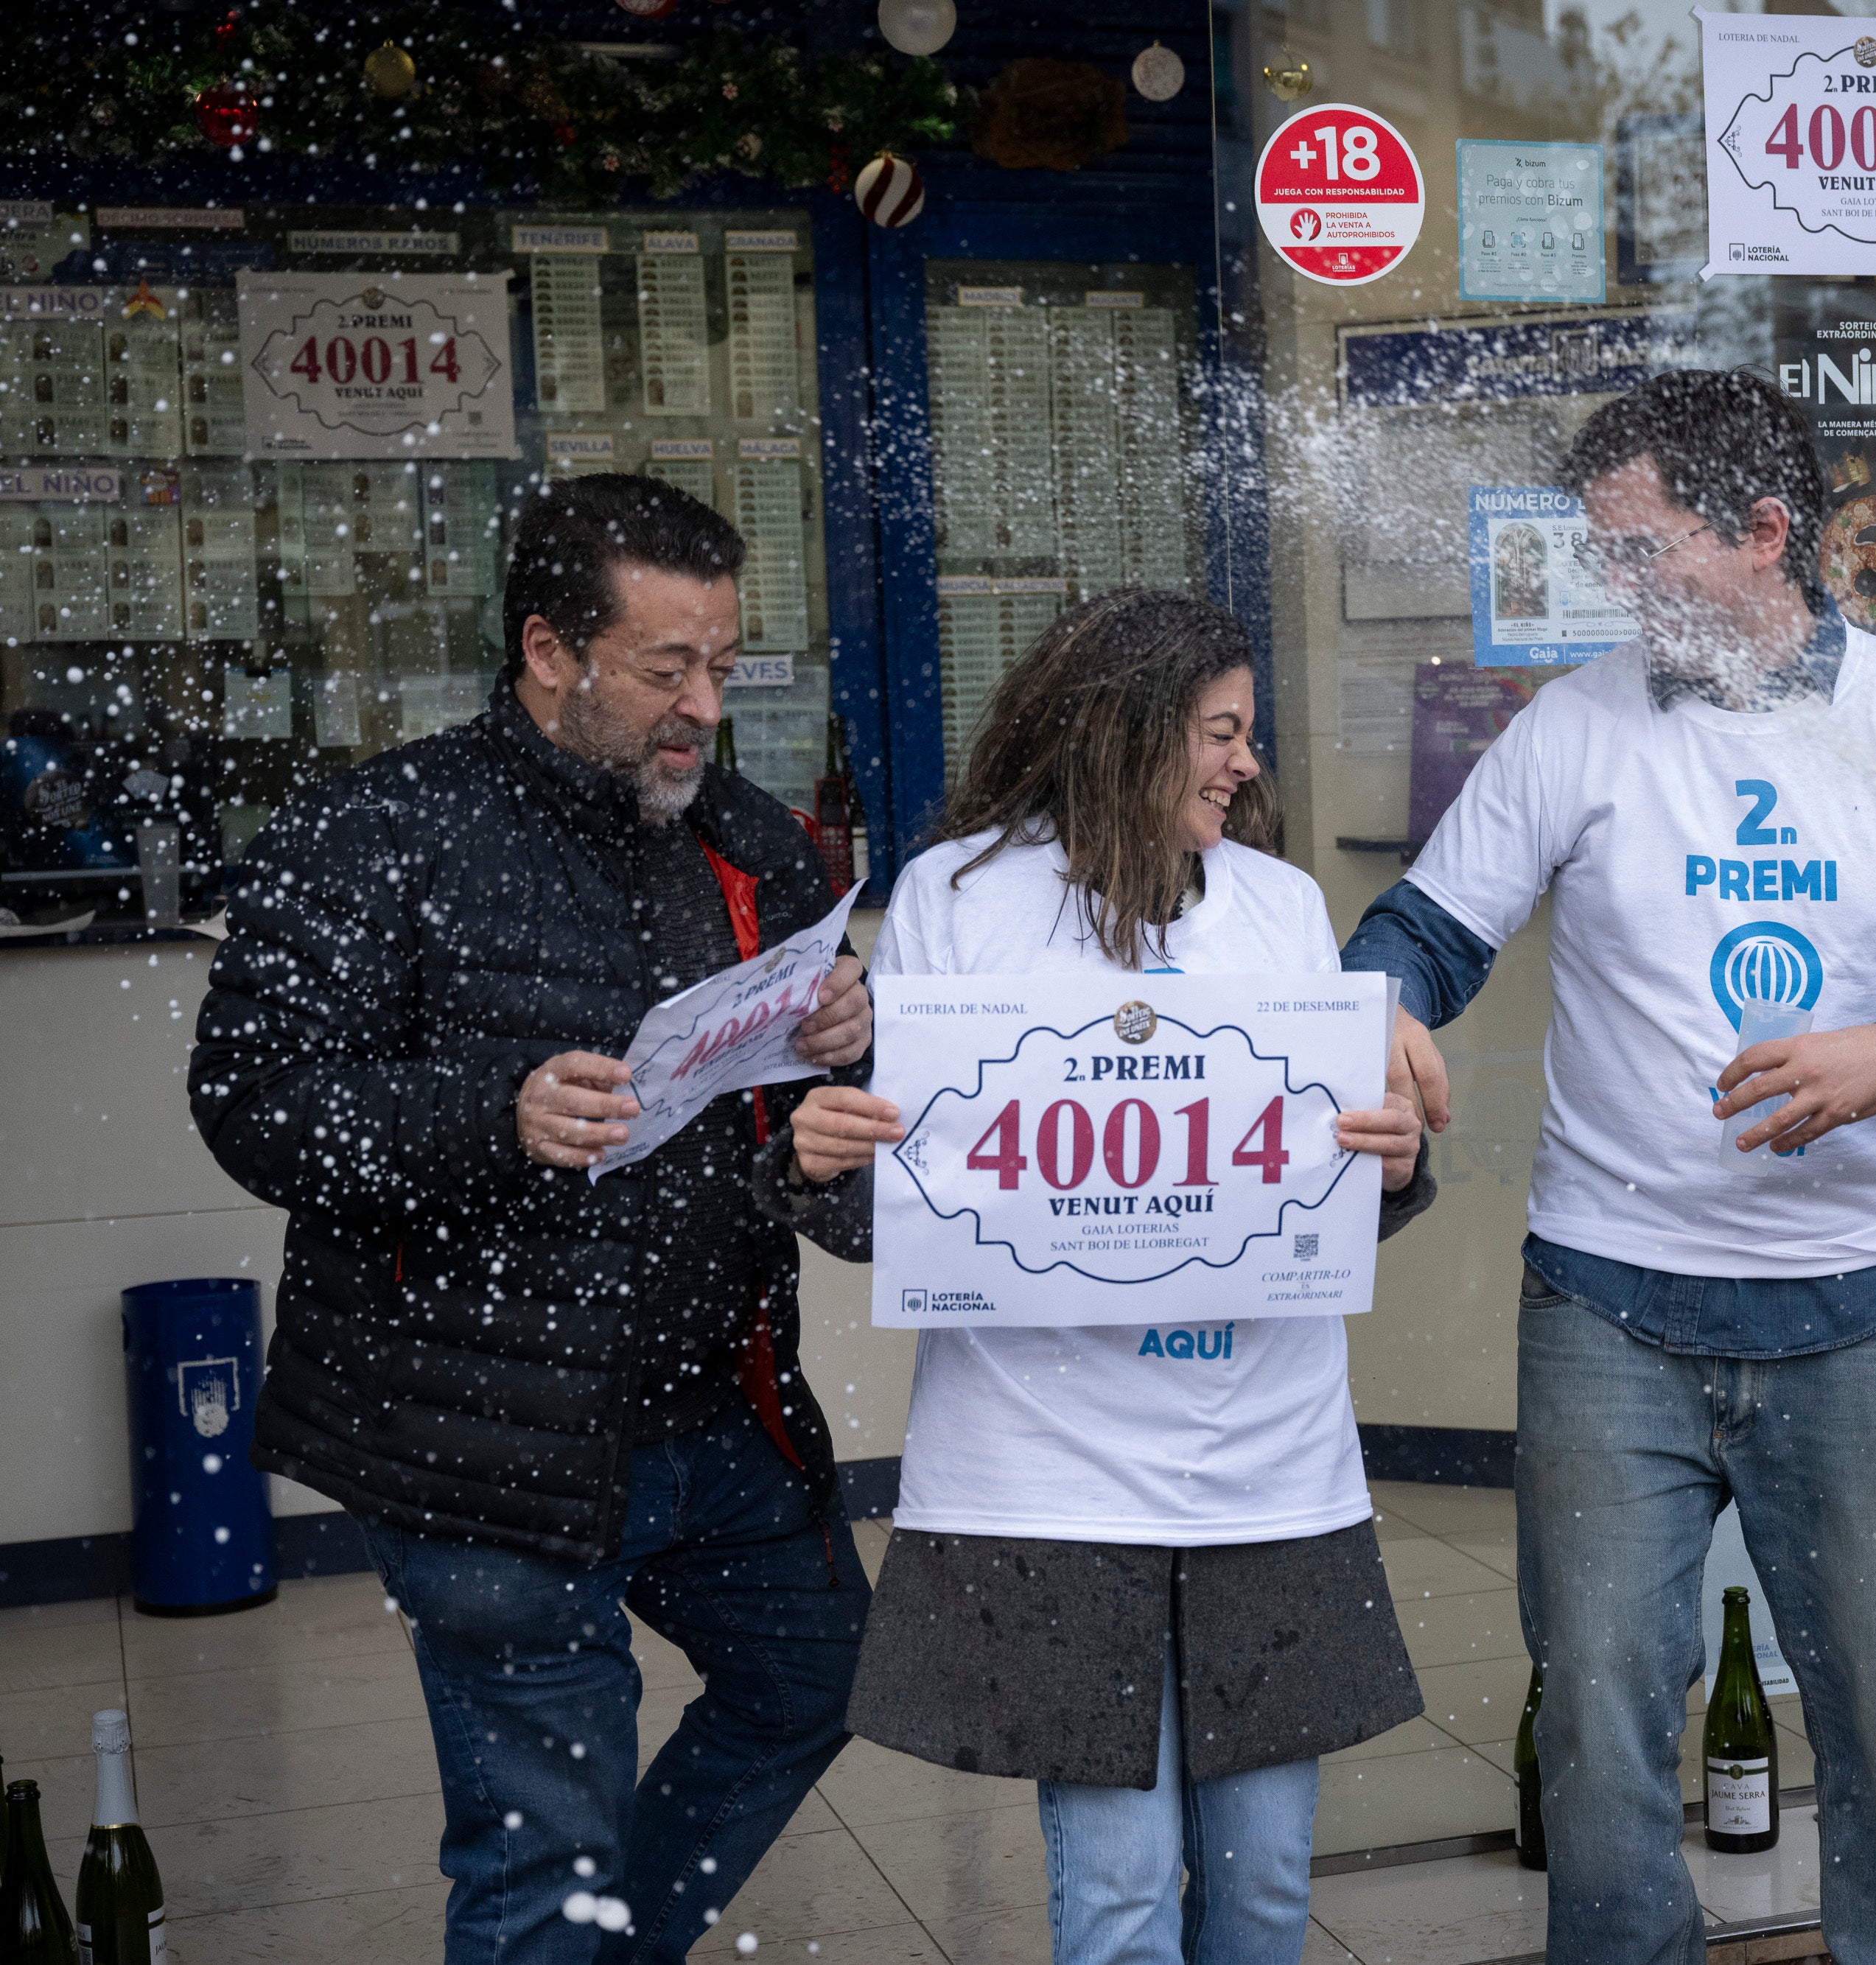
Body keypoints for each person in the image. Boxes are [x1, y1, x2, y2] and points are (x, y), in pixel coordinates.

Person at [1343, 369, 1876, 1965]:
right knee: (1600, 1720)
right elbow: (1421, 928)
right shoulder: (1573, 727)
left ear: (1762, 533)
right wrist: (1382, 1007)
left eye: (1637, 548)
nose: (1612, 586)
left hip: (1863, 1317)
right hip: (1608, 1312)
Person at [188, 474, 874, 1964]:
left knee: (815, 1680)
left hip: (723, 1415)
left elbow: (823, 1163)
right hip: (487, 1442)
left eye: (722, 661)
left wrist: (840, 1067)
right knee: (540, 1857)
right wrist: (488, 1114)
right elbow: (251, 1099)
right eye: (663, 667)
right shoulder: (385, 827)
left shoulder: (754, 846)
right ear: (548, 651)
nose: (703, 703)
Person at [760, 587, 1435, 1965]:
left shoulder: (1286, 908)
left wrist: (1396, 1161)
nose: (1247, 764)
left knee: (1263, 1884)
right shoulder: (959, 901)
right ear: (1121, 732)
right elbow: (916, 1189)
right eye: (1219, 732)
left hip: (1268, 1468)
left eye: (1248, 735)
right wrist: (824, 1166)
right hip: (1050, 1472)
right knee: (1119, 1894)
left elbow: (1325, 1192)